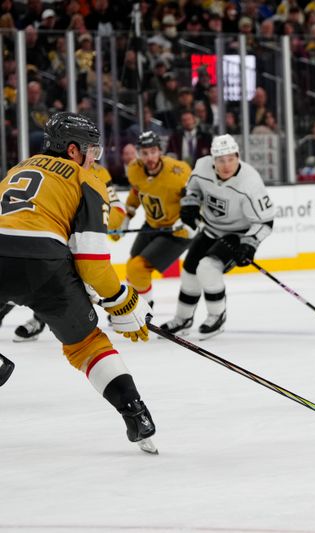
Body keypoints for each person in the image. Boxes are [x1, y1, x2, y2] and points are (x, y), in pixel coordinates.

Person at [0, 112, 156, 453]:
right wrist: (121, 300)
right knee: (86, 345)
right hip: (44, 267)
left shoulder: (16, 170)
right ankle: (136, 414)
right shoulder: (85, 179)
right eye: (91, 151)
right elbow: (92, 263)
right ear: (73, 150)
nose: (94, 158)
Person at [160, 134, 275, 339]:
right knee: (189, 271)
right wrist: (190, 205)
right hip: (210, 229)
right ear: (213, 160)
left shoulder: (250, 182)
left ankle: (217, 316)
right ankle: (183, 319)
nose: (226, 165)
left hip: (237, 234)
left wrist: (249, 245)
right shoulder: (202, 167)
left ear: (238, 156)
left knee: (208, 267)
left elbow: (265, 222)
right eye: (221, 160)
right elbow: (192, 189)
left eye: (231, 158)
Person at [10, 160, 128, 342]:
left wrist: (103, 217)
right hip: (49, 237)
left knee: (60, 282)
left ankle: (44, 322)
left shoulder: (99, 173)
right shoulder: (55, 170)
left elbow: (117, 209)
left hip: (76, 241)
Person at [115, 131, 193, 309]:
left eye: (153, 151)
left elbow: (196, 198)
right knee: (132, 265)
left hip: (177, 231)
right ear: (138, 154)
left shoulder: (178, 172)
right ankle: (133, 305)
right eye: (145, 153)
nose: (150, 157)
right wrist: (128, 215)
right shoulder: (134, 169)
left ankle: (143, 309)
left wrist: (190, 221)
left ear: (160, 151)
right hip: (152, 225)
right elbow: (137, 191)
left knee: (138, 268)